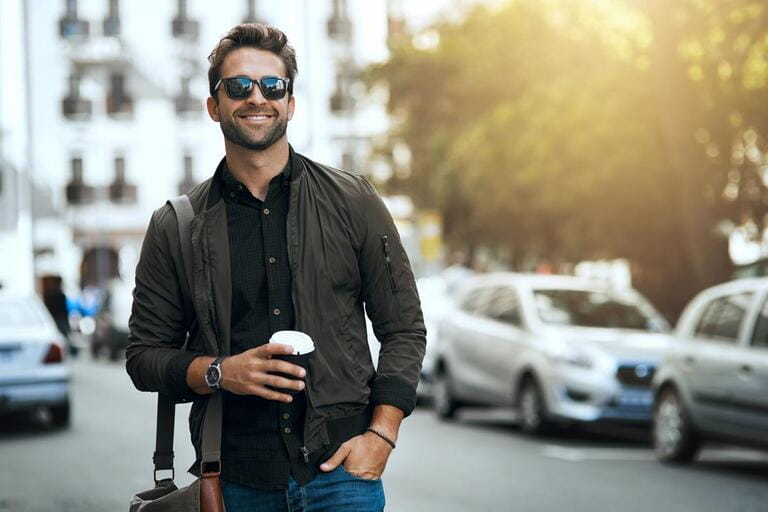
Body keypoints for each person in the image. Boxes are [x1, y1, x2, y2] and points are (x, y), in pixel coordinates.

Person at [126, 23, 426, 512]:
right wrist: (223, 372)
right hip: (234, 479)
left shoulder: (355, 201)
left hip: (342, 474)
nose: (256, 98)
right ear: (213, 105)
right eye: (239, 86)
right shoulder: (175, 226)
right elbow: (143, 357)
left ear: (290, 103)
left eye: (272, 86)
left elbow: (404, 328)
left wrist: (381, 435)